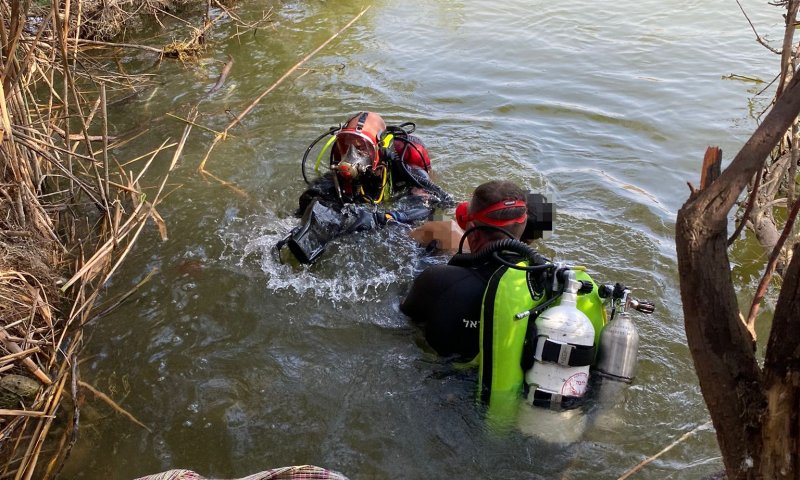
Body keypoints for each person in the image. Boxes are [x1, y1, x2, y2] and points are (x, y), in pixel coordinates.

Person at [276, 111, 453, 264]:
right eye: (346, 144)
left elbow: (439, 202)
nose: (351, 154)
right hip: (369, 208)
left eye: (361, 148)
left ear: (380, 148)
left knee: (428, 236)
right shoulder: (340, 170)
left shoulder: (405, 166)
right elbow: (317, 193)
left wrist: (384, 217)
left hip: (395, 210)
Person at [400, 180, 532, 359]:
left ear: (473, 230)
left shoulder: (437, 280)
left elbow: (404, 320)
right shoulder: (545, 280)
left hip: (444, 378)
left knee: (441, 226)